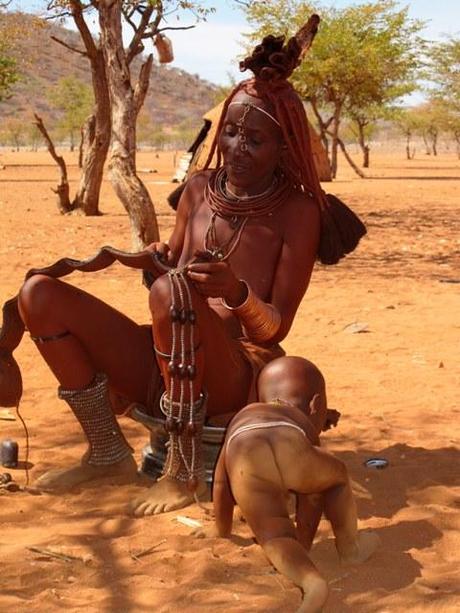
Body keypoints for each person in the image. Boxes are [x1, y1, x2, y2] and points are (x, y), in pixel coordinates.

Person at [11, 17, 365, 515]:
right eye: (231, 132)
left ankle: (181, 472)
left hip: (235, 370)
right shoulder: (198, 191)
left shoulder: (299, 212)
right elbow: (166, 284)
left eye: (255, 140)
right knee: (39, 295)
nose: (238, 147)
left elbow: (273, 328)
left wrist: (236, 293)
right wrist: (157, 262)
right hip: (167, 356)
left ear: (285, 145)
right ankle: (107, 452)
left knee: (171, 294)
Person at [195, 356, 379, 612]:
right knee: (336, 477)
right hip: (288, 438)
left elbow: (221, 484)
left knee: (276, 535)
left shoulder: (246, 415)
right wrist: (304, 542)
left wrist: (221, 528)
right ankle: (350, 549)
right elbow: (312, 496)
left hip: (244, 447)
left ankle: (312, 583)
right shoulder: (301, 421)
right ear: (316, 404)